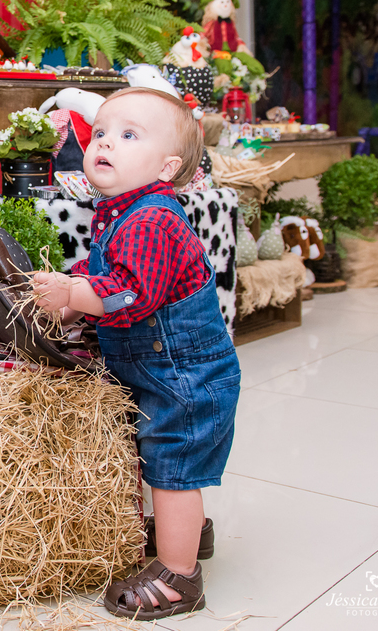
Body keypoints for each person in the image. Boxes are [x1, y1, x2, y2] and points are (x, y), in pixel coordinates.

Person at [32, 86, 240, 620]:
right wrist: (78, 298)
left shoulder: (153, 219)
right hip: (161, 368)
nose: (105, 144)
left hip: (185, 376)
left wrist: (75, 296)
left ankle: (180, 577)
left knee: (172, 464)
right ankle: (187, 531)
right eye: (100, 133)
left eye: (128, 136)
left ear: (167, 167)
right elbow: (108, 277)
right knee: (162, 459)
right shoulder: (120, 212)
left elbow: (129, 292)